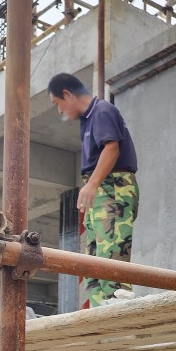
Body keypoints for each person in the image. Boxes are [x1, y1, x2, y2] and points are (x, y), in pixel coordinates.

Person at [47, 73, 139, 306]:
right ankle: (100, 310)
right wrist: (92, 186)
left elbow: (112, 148)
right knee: (94, 259)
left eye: (57, 103)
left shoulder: (102, 111)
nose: (59, 110)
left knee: (112, 251)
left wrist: (93, 184)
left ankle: (118, 305)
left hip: (113, 187)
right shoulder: (87, 119)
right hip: (100, 188)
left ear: (67, 94)